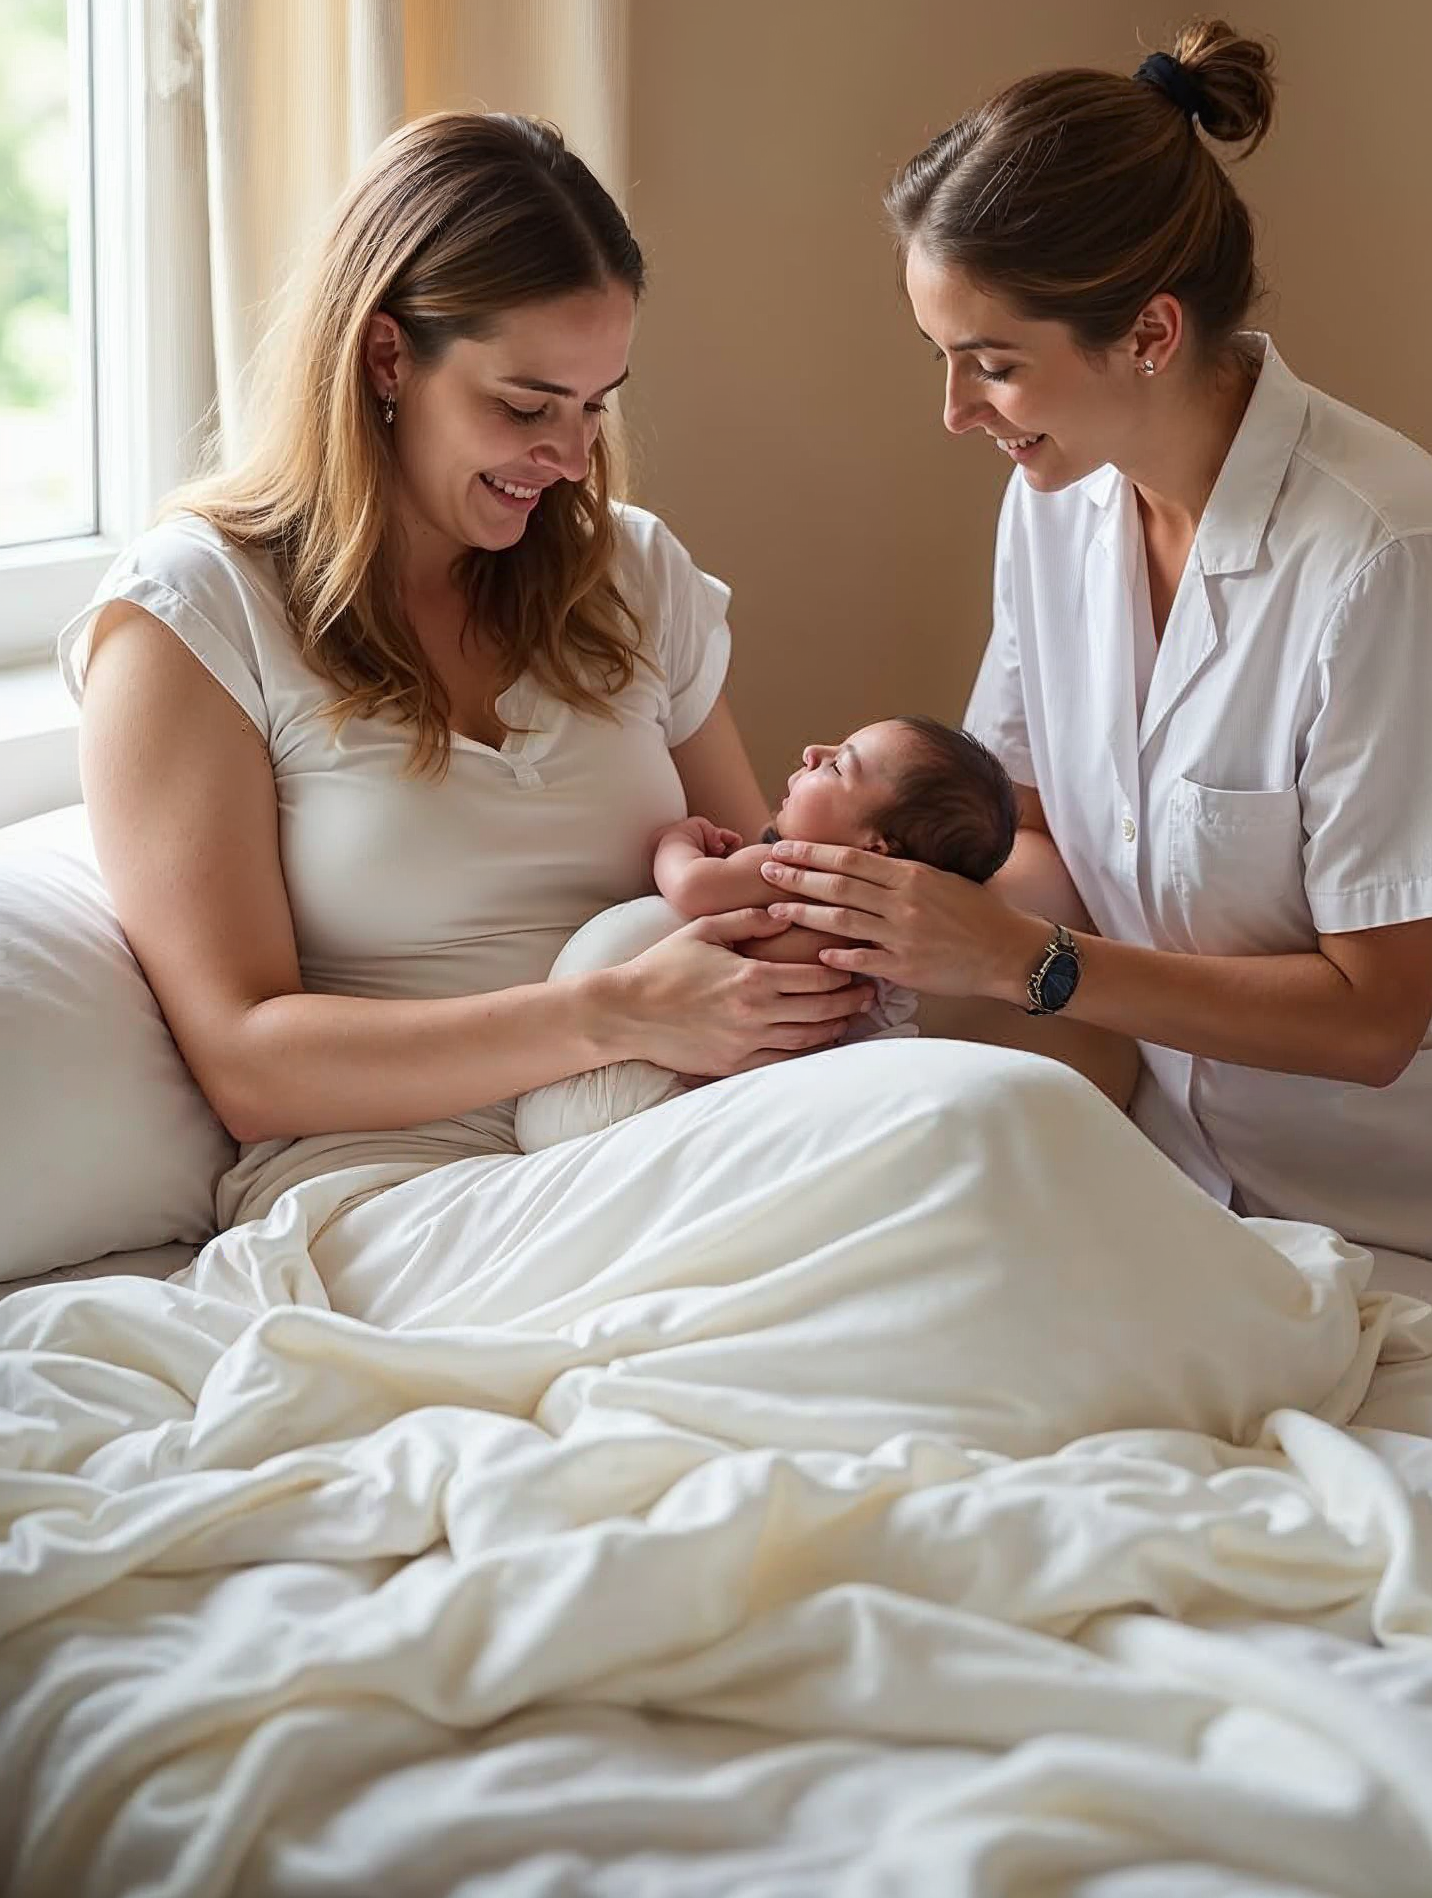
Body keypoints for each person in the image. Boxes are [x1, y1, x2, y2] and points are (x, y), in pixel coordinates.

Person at [760, 23, 1432, 1316]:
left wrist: (1027, 962)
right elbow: (1026, 819)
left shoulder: (1391, 563)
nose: (957, 413)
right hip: (1201, 1177)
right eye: (943, 357)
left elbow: (1370, 1017)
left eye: (995, 364)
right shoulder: (1059, 498)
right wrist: (854, 907)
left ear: (1150, 332)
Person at [62, 112, 880, 1227]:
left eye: (595, 404)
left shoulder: (630, 572)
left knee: (997, 1125)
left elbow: (771, 891)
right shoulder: (197, 614)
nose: (573, 457)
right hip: (398, 1186)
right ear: (388, 356)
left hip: (679, 1128)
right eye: (525, 404)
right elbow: (249, 1064)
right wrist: (615, 1015)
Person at [514, 717, 1015, 1151]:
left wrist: (676, 840)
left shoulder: (790, 869)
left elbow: (690, 887)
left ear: (875, 846)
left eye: (840, 766)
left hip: (617, 1094)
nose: (813, 753)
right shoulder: (892, 943)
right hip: (662, 1092)